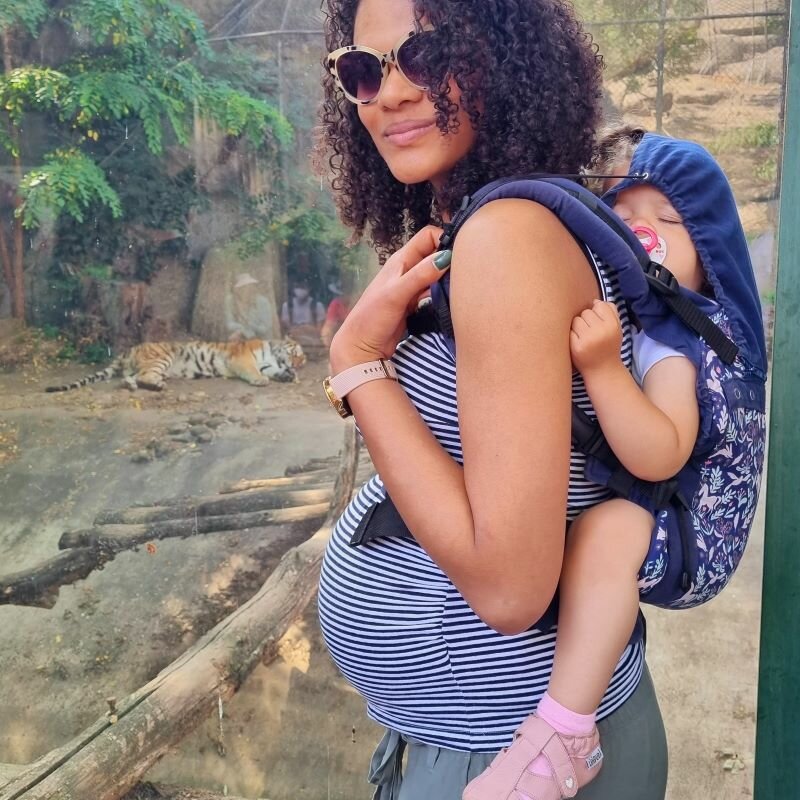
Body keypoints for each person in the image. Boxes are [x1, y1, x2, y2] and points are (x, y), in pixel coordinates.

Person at [316, 3, 668, 799]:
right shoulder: (497, 221)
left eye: (425, 54)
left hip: (514, 759)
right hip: (473, 736)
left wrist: (357, 367)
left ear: (506, 58)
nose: (390, 93)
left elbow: (510, 591)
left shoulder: (506, 237)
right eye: (363, 71)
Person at [464, 127, 716, 798]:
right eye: (623, 212)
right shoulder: (627, 315)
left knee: (605, 536)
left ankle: (567, 730)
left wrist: (603, 369)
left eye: (668, 220)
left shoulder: (673, 343)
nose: (640, 229)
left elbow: (661, 451)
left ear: (708, 258)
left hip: (663, 512)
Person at [225, 272, 276, 340]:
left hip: (262, 340)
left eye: (250, 287)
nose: (249, 290)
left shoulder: (263, 302)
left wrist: (246, 329)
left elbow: (264, 329)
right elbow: (229, 324)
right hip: (240, 338)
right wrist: (242, 330)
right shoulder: (230, 300)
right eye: (241, 288)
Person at [321, 274, 355, 348]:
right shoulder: (335, 304)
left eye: (347, 292)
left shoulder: (358, 302)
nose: (343, 296)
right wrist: (327, 342)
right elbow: (329, 325)